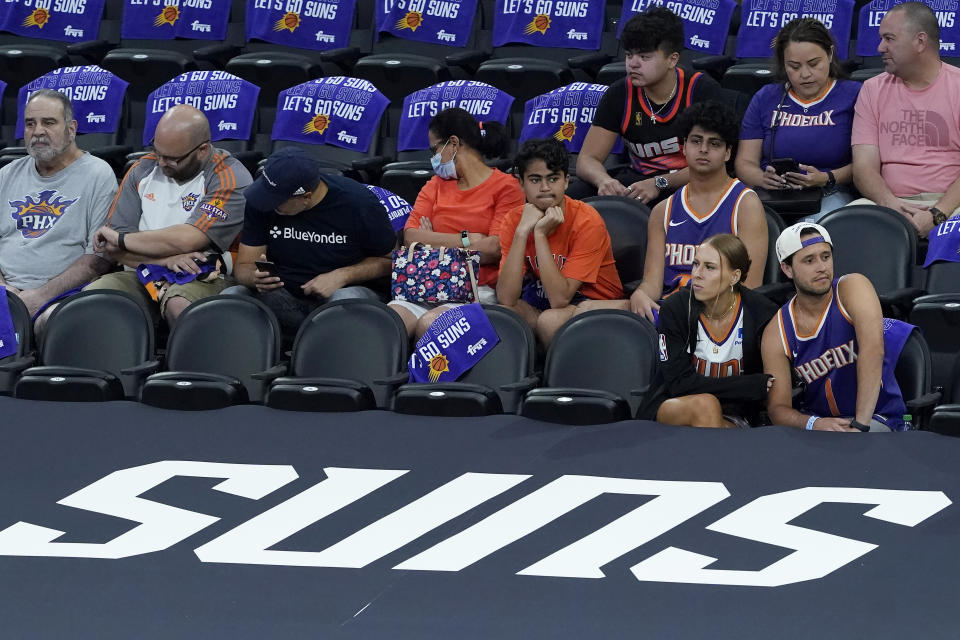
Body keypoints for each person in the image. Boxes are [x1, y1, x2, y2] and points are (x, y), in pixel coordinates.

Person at [593, 101, 768, 321]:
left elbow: (749, 287)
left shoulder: (745, 204)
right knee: (584, 317)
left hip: (721, 315)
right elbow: (652, 284)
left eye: (714, 143)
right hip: (670, 312)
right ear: (684, 147)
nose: (703, 149)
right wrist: (641, 295)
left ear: (727, 153)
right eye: (696, 141)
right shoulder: (662, 211)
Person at [90, 104, 252, 326]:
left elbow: (189, 239)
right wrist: (165, 260)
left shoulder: (229, 176)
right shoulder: (142, 169)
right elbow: (113, 250)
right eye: (158, 152)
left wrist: (122, 240)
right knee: (91, 299)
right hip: (139, 270)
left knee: (179, 304)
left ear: (202, 150)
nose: (161, 163)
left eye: (172, 158)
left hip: (204, 275)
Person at [388, 108, 525, 337]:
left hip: (475, 288)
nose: (433, 158)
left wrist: (431, 240)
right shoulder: (435, 184)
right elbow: (411, 237)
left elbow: (493, 248)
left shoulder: (507, 187)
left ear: (453, 143)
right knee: (389, 323)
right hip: (425, 284)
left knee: (431, 324)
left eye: (435, 149)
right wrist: (468, 238)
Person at [229, 147, 396, 336]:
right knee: (231, 298)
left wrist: (343, 276)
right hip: (282, 296)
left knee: (346, 299)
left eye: (276, 201)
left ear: (306, 197)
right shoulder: (260, 201)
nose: (268, 204)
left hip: (343, 295)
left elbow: (391, 260)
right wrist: (253, 277)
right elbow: (243, 266)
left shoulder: (358, 204)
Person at [761, 223, 909, 431]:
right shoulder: (777, 331)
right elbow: (778, 409)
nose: (822, 267)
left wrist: (860, 425)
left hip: (878, 417)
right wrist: (814, 423)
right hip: (822, 427)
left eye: (826, 256)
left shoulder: (852, 287)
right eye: (809, 260)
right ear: (787, 269)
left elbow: (873, 350)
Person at [573, 7, 722, 202]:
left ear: (672, 60)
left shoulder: (702, 91)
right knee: (573, 196)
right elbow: (587, 160)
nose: (633, 64)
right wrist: (603, 181)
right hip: (638, 182)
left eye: (644, 57)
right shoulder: (620, 93)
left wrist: (660, 183)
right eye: (629, 55)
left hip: (692, 182)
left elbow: (713, 164)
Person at [0, 89, 116, 330]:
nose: (38, 131)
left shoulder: (98, 175)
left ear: (71, 129)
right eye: (30, 123)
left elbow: (97, 259)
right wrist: (4, 291)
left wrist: (41, 296)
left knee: (51, 322)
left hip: (61, 296)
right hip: (6, 290)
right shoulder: (6, 174)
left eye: (49, 122)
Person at [496, 138, 623, 345]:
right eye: (535, 180)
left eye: (553, 179)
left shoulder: (587, 220)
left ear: (566, 181)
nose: (545, 188)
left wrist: (539, 234)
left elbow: (560, 299)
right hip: (543, 300)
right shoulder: (513, 220)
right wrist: (521, 232)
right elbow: (506, 298)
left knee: (550, 320)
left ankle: (554, 377)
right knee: (505, 315)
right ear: (521, 183)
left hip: (594, 303)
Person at [851, 1, 960, 237]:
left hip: (952, 206)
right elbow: (863, 169)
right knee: (842, 227)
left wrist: (937, 213)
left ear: (920, 41)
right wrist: (892, 206)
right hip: (888, 203)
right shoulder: (872, 89)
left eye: (889, 38)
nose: (880, 47)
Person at [736, 18, 861, 221]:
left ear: (829, 54)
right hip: (773, 195)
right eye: (794, 66)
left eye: (814, 64)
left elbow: (867, 164)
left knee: (811, 230)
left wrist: (826, 178)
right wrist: (763, 178)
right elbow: (744, 162)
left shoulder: (854, 95)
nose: (805, 74)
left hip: (830, 193)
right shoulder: (765, 97)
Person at [655, 234, 778, 427]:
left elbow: (773, 385)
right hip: (676, 406)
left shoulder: (762, 313)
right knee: (705, 405)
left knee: (710, 412)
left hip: (736, 416)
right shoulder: (676, 309)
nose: (696, 274)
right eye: (696, 264)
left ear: (734, 276)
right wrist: (748, 385)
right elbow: (679, 384)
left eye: (709, 267)